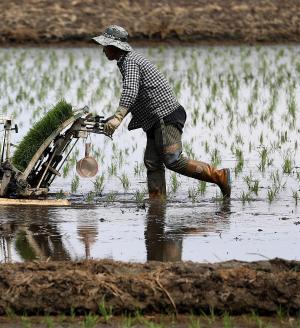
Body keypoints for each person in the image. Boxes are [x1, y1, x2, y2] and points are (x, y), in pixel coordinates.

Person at [94, 25, 231, 198]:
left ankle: (220, 176)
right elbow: (135, 96)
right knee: (152, 162)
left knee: (173, 159)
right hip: (154, 120)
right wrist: (115, 117)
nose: (103, 50)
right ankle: (157, 203)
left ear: (115, 46)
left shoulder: (130, 62)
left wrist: (118, 117)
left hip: (165, 116)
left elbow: (130, 91)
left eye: (105, 46)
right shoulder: (126, 62)